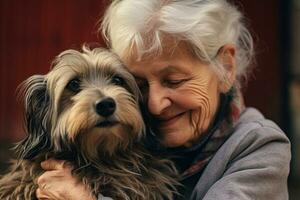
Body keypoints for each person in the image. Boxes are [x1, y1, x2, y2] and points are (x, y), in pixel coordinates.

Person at [36, 0, 291, 199]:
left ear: (225, 67)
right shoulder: (119, 142)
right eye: (139, 85)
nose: (154, 105)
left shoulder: (258, 148)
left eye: (174, 81)